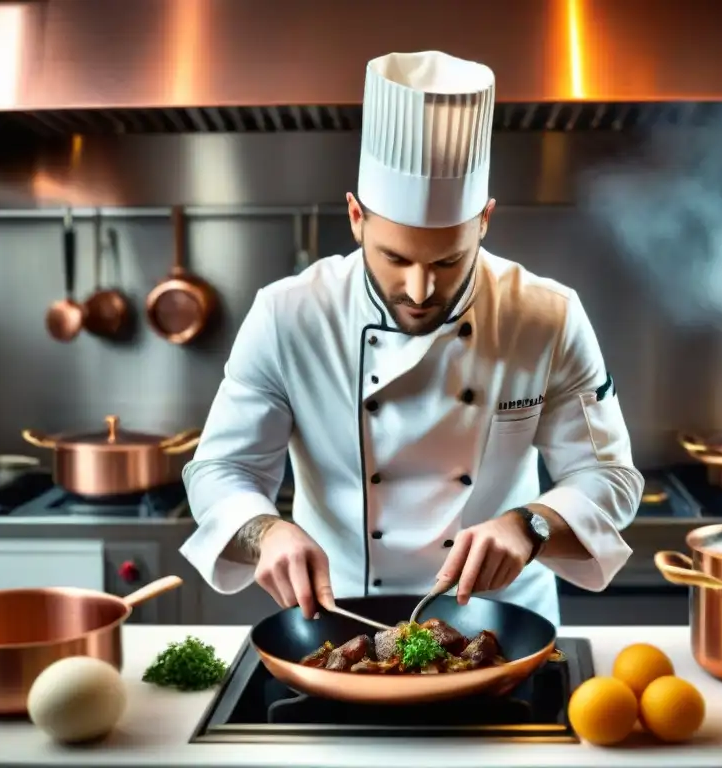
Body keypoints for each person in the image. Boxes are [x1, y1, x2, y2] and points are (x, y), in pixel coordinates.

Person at [179, 50, 644, 626]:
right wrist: (266, 531)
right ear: (356, 217)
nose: (420, 289)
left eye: (449, 261)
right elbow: (219, 470)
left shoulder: (546, 316)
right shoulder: (288, 315)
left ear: (485, 221)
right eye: (394, 258)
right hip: (340, 620)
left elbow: (612, 479)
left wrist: (530, 526)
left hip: (503, 624)